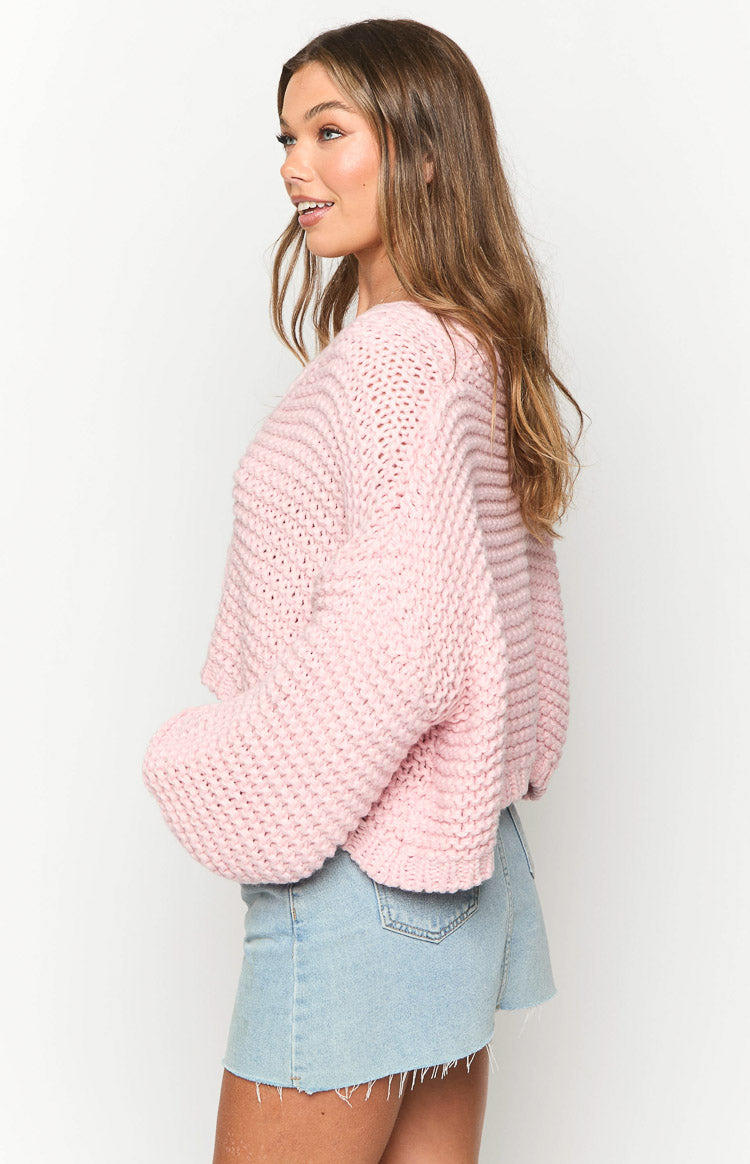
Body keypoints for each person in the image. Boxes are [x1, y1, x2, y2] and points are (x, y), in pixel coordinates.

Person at [141, 17, 584, 1164]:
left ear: (425, 151)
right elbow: (507, 632)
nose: (297, 166)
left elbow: (410, 641)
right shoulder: (475, 351)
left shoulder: (395, 356)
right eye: (287, 138)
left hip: (362, 882)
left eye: (329, 132)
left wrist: (201, 762)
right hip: (459, 879)